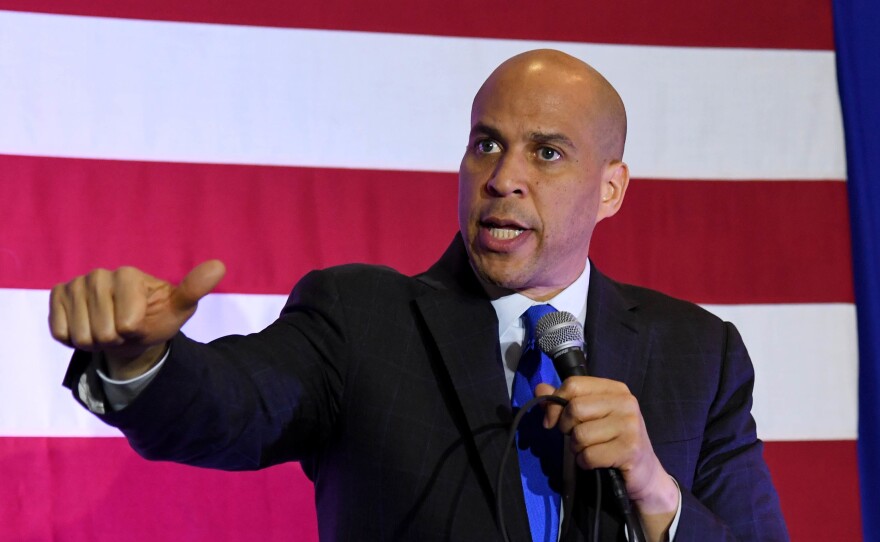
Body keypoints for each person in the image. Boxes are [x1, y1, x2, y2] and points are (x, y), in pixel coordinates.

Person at [50, 49, 788, 541]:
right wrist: (142, 362)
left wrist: (656, 494)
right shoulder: (359, 319)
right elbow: (227, 406)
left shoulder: (700, 352)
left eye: (548, 152)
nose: (503, 177)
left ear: (611, 190)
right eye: (486, 143)